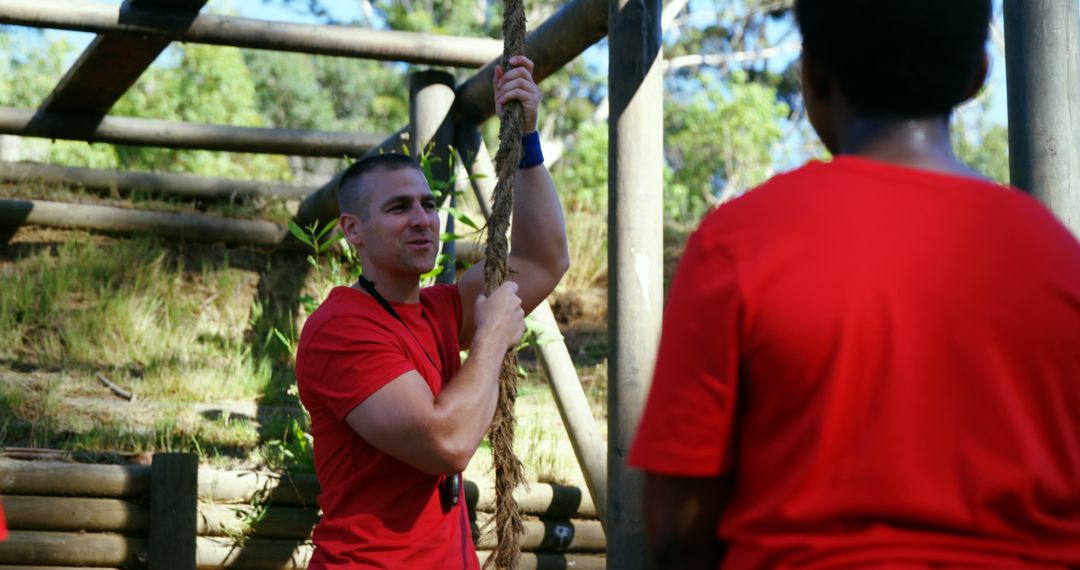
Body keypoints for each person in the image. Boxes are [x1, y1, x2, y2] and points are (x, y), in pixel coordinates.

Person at [629, 1, 1080, 568]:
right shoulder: (1061, 259)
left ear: (812, 75)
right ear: (978, 77)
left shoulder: (739, 242)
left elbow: (676, 528)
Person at [295, 55, 568, 569]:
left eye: (426, 204)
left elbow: (543, 259)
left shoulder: (437, 308)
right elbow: (447, 444)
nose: (422, 219)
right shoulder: (341, 328)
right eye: (399, 208)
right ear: (353, 230)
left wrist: (527, 142)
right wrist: (489, 340)